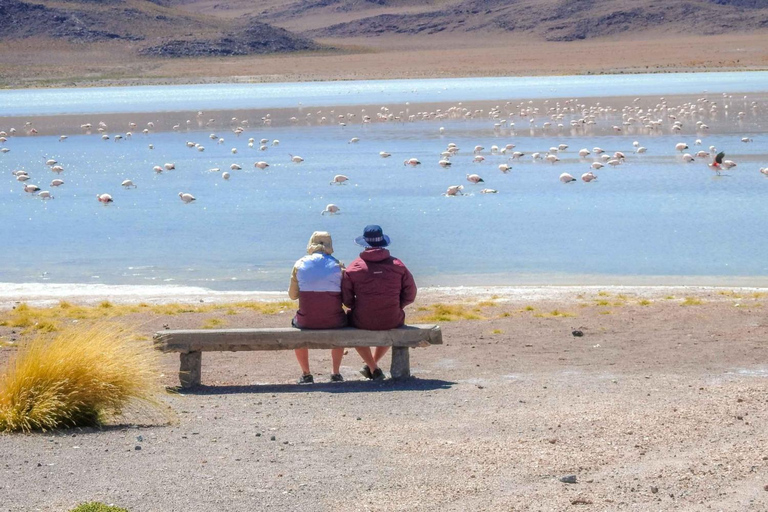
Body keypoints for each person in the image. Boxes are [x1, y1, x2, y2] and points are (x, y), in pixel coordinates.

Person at [342, 225, 417, 380]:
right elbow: (410, 293)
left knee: (351, 324)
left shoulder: (354, 268)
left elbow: (347, 299)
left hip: (362, 319)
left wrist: (357, 306)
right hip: (391, 317)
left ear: (364, 244)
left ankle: (373, 367)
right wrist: (397, 305)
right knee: (390, 324)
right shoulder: (398, 265)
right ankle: (372, 366)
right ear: (383, 242)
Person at [289, 231, 347, 384]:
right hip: (334, 321)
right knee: (340, 326)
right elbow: (346, 298)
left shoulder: (299, 264)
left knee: (296, 329)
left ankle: (306, 374)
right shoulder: (338, 265)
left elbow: (293, 295)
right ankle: (335, 373)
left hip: (306, 321)